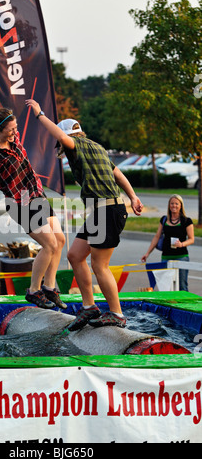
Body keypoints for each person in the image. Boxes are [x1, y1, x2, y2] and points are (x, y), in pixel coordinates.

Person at [26, 99, 144, 331]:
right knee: (74, 255)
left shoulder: (76, 146)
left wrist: (40, 115)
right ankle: (89, 306)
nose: (60, 148)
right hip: (104, 210)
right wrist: (133, 196)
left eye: (61, 143)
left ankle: (117, 314)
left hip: (108, 211)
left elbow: (62, 137)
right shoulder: (98, 148)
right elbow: (117, 173)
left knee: (100, 265)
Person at [0, 106, 67, 310]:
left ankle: (49, 287)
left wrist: (38, 112)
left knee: (60, 240)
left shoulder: (14, 138)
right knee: (50, 245)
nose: (14, 132)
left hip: (36, 195)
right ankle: (34, 290)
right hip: (20, 204)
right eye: (10, 129)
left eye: (15, 128)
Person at [141, 194, 194, 291]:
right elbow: (157, 236)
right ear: (169, 205)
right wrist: (147, 253)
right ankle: (170, 305)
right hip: (166, 257)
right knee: (166, 286)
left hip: (181, 257)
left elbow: (191, 239)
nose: (174, 206)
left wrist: (181, 244)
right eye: (172, 203)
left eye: (176, 204)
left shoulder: (187, 221)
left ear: (181, 206)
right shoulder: (164, 219)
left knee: (182, 285)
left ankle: (183, 305)